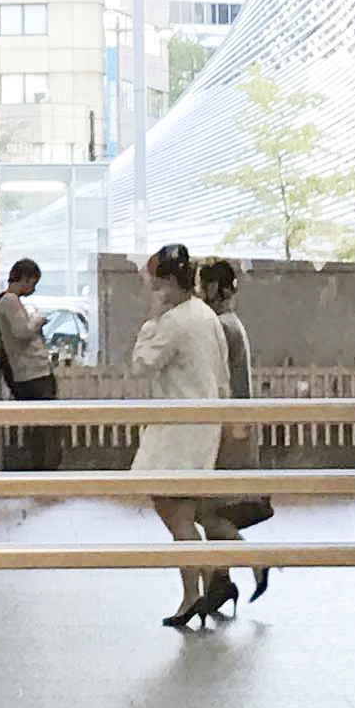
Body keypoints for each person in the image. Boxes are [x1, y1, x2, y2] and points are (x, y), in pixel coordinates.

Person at [129, 241, 235, 629]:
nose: (153, 292)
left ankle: (202, 586)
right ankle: (208, 583)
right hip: (203, 424)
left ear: (170, 282)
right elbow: (222, 374)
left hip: (177, 429)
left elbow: (142, 364)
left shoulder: (171, 323)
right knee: (182, 511)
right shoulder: (206, 315)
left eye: (156, 285)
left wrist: (151, 321)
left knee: (175, 513)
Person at [200, 257, 276, 601]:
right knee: (215, 508)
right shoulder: (231, 323)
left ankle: (251, 562)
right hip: (236, 422)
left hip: (229, 427)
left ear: (213, 288)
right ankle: (221, 579)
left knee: (207, 509)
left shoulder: (221, 327)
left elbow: (217, 380)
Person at [0, 257, 57, 472]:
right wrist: (38, 320)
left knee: (38, 425)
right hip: (33, 373)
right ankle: (44, 467)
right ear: (25, 279)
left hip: (28, 372)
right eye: (33, 283)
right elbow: (22, 332)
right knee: (43, 426)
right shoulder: (10, 301)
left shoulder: (6, 301)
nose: (33, 289)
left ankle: (41, 464)